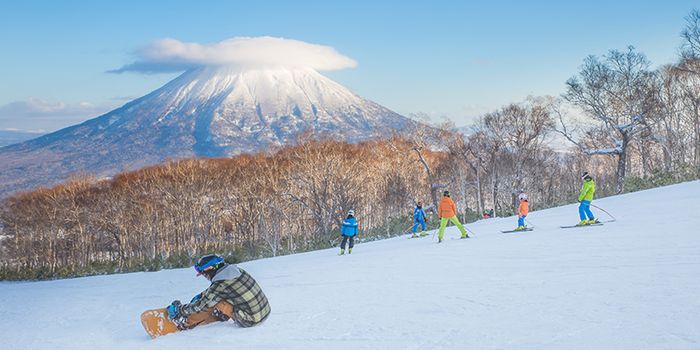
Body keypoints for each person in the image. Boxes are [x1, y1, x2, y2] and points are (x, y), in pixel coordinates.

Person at [166, 254, 271, 330]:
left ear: (210, 270)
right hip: (264, 312)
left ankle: (185, 322)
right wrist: (203, 295)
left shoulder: (220, 284)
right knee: (213, 297)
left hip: (251, 320)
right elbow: (218, 291)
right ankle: (222, 314)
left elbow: (201, 305)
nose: (205, 277)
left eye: (204, 274)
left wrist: (180, 310)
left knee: (214, 302)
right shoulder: (237, 271)